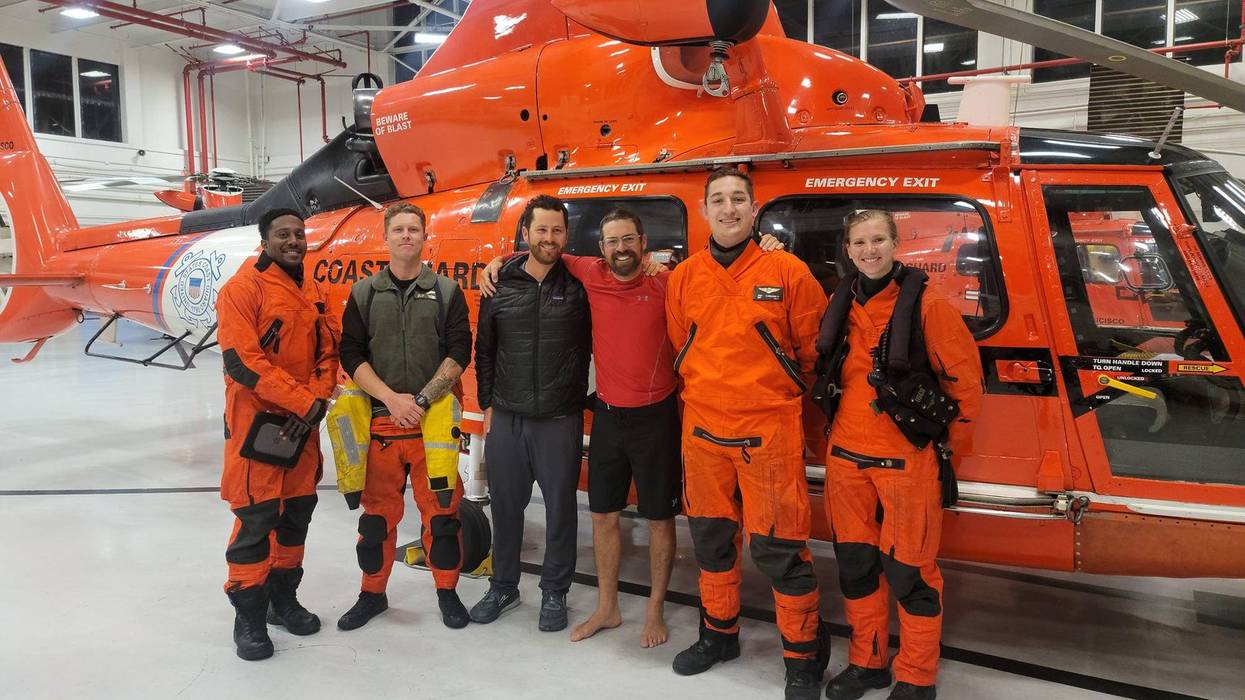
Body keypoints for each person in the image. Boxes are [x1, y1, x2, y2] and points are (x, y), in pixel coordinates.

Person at [480, 208, 687, 648]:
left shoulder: (665, 282)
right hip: (605, 415)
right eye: (612, 241)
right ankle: (605, 607)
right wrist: (497, 261)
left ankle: (650, 611)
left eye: (628, 239)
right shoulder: (586, 274)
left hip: (652, 416)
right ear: (600, 248)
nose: (621, 248)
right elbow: (540, 254)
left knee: (657, 519)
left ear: (643, 242)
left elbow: (702, 278)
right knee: (600, 515)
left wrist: (768, 246)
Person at [665, 167, 831, 700]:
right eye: (718, 199)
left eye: (738, 199)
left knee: (780, 548)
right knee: (711, 540)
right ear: (704, 211)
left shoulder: (788, 272)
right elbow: (680, 345)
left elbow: (814, 352)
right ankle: (718, 636)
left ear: (754, 209)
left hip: (768, 431)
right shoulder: (684, 277)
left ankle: (802, 658)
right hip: (703, 431)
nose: (729, 208)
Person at [818, 210, 983, 700]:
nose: (869, 250)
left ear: (895, 243)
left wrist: (944, 449)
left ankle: (916, 676)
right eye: (859, 242)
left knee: (911, 574)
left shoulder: (930, 306)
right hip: (846, 456)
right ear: (847, 250)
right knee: (855, 567)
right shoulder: (840, 302)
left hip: (906, 461)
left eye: (878, 240)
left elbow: (966, 390)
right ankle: (867, 662)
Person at [335, 202, 474, 631]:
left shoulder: (447, 291)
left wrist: (423, 400)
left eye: (414, 229)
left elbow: (460, 350)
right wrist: (392, 399)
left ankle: (447, 592)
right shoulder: (364, 293)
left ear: (425, 236)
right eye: (399, 230)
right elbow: (350, 353)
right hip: (381, 423)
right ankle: (372, 594)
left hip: (433, 425)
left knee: (443, 518)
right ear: (386, 237)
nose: (407, 236)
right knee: (376, 521)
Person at [216, 207, 340, 661]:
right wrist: (304, 403)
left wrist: (316, 402)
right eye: (283, 235)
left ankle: (282, 601)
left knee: (296, 515)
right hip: (259, 427)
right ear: (265, 241)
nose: (293, 241)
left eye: (299, 234)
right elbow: (243, 362)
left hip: (301, 427)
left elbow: (329, 353)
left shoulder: (313, 290)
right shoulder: (242, 289)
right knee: (257, 519)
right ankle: (248, 617)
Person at [469, 194, 592, 633]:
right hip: (508, 417)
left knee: (561, 510)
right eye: (541, 229)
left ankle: (555, 591)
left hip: (559, 419)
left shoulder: (580, 286)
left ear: (566, 235)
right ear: (526, 233)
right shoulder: (498, 284)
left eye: (557, 230)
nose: (549, 238)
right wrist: (487, 405)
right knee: (505, 508)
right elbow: (484, 350)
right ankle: (503, 586)